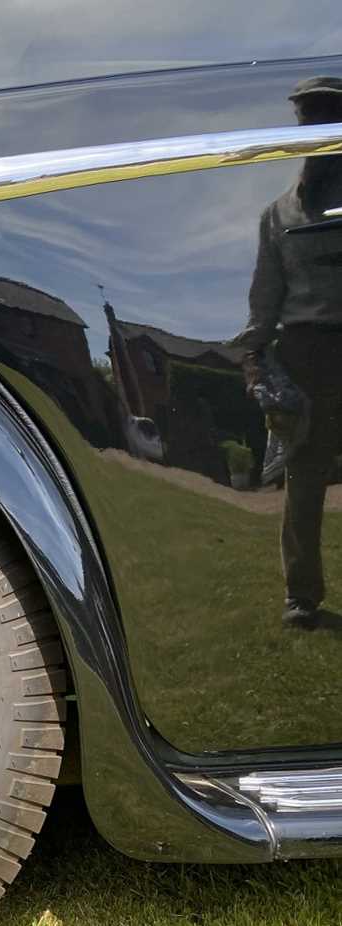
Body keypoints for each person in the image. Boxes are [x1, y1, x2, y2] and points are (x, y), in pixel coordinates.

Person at [237, 76, 342, 630]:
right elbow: (265, 298)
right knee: (304, 481)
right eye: (310, 116)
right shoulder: (279, 214)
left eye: (329, 114)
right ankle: (301, 598)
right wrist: (254, 362)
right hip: (306, 353)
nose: (317, 126)